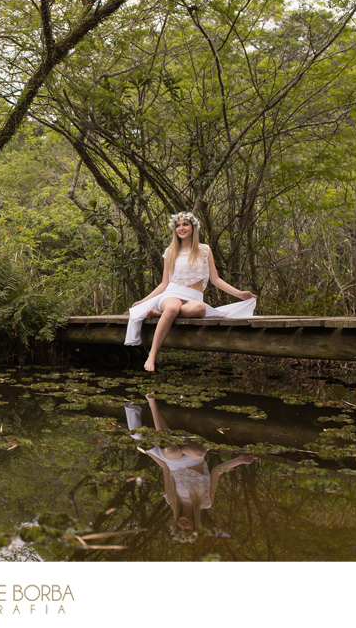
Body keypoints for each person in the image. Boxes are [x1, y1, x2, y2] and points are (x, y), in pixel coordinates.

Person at [126, 211, 257, 371]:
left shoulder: (204, 250)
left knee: (199, 308)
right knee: (173, 307)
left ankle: (162, 315)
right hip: (171, 294)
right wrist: (144, 301)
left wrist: (240, 294)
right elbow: (164, 284)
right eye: (178, 225)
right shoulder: (170, 251)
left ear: (193, 227)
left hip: (193, 297)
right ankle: (152, 355)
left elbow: (215, 280)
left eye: (185, 224)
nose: (181, 228)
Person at [126, 394, 257, 540]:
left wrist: (148, 452)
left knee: (159, 445)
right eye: (186, 529)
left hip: (172, 462)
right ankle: (180, 444)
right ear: (194, 526)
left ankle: (152, 402)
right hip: (194, 459)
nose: (182, 525)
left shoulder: (171, 500)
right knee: (198, 452)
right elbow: (216, 472)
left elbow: (165, 468)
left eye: (179, 527)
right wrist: (241, 459)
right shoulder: (205, 502)